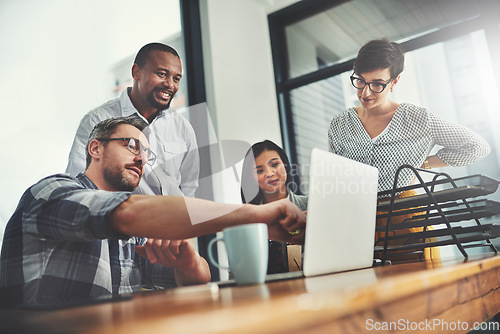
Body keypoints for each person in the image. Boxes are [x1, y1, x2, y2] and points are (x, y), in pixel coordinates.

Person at [0, 116, 306, 309]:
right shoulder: (51, 192)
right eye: (131, 145)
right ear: (95, 149)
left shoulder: (130, 238)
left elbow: (199, 278)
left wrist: (187, 263)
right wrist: (257, 215)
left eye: (146, 153)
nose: (141, 159)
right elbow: (129, 212)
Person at [327, 38, 490, 261]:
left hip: (408, 221)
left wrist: (423, 164)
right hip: (357, 224)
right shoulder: (339, 125)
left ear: (394, 82)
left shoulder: (417, 119)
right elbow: (336, 179)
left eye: (377, 84)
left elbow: (477, 147)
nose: (365, 93)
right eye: (360, 81)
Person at [66, 42, 198, 197]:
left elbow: (189, 187)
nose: (170, 85)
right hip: (121, 217)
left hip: (170, 218)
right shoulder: (97, 120)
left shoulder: (182, 128)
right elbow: (80, 185)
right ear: (137, 72)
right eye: (161, 74)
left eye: (176, 79)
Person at [241, 140, 307, 273]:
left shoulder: (310, 206)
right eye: (259, 170)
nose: (270, 173)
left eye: (275, 164)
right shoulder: (247, 221)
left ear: (286, 166)